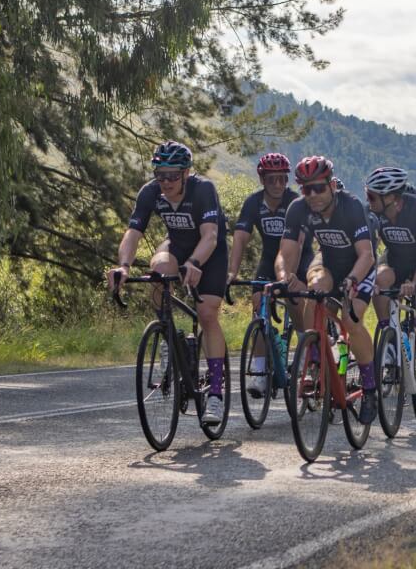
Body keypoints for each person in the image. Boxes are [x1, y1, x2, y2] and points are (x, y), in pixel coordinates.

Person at [107, 141, 229, 424]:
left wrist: (195, 262)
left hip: (209, 253)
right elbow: (133, 232)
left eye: (173, 175)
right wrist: (123, 266)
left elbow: (210, 236)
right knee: (159, 270)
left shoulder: (203, 189)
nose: (165, 181)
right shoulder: (150, 192)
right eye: (160, 175)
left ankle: (215, 393)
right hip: (176, 245)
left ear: (186, 173)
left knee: (207, 314)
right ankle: (168, 337)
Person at [277, 156, 378, 424]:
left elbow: (366, 254)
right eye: (306, 189)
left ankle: (370, 388)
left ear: (332, 185)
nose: (312, 195)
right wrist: (284, 277)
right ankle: (314, 360)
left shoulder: (351, 206)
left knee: (350, 320)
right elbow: (285, 252)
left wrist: (353, 280)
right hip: (330, 262)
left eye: (318, 188)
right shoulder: (298, 209)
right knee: (315, 289)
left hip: (360, 266)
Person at [227, 153, 312, 396]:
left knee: (295, 299)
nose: (277, 184)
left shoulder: (295, 202)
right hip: (268, 259)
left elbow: (299, 241)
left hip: (299, 258)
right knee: (258, 306)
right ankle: (259, 369)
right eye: (272, 179)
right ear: (262, 180)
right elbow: (240, 238)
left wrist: (290, 275)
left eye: (282, 179)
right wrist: (232, 272)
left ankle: (305, 350)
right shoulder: (253, 203)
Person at [365, 166, 416, 413]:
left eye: (372, 196)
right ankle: (388, 339)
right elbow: (367, 247)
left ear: (392, 198)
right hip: (396, 262)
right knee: (378, 281)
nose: (369, 200)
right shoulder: (374, 212)